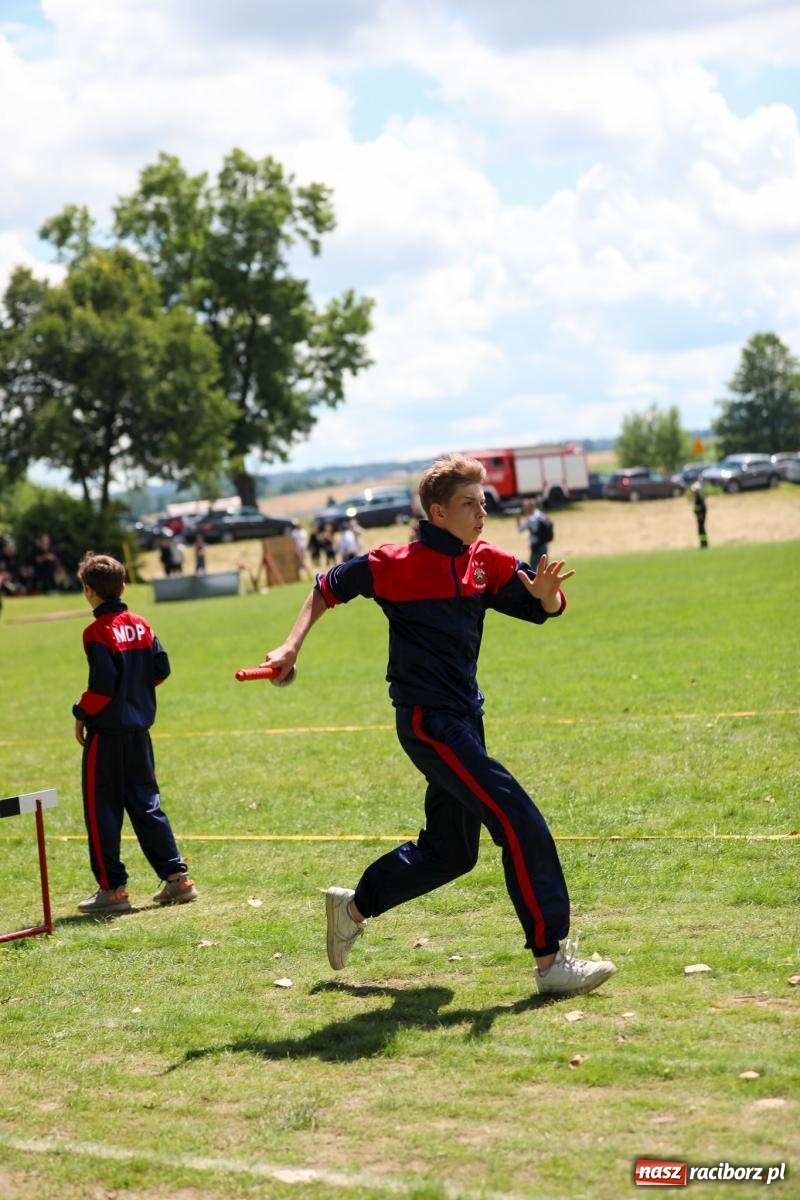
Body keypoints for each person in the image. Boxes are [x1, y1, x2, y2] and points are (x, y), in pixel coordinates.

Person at [260, 454, 616, 997]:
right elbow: (326, 588)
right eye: (470, 504)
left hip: (467, 719)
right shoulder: (392, 562)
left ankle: (353, 908)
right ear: (437, 511)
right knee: (517, 818)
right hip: (428, 722)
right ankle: (552, 962)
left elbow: (544, 604)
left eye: (484, 502)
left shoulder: (485, 561)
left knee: (453, 851)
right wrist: (290, 645)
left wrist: (547, 595)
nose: (482, 512)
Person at [72, 552, 198, 913]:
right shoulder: (142, 624)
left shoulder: (96, 632)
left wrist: (81, 712)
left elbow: (102, 687)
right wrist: (138, 691)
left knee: (102, 809)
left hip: (108, 735)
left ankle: (112, 889)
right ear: (123, 585)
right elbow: (161, 667)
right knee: (147, 803)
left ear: (88, 591)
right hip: (139, 734)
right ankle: (178, 879)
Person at [518, 497, 553, 564]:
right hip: (544, 544)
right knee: (545, 569)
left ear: (529, 507)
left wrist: (518, 519)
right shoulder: (540, 514)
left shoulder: (530, 519)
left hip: (536, 546)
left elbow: (520, 529)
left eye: (525, 507)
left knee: (532, 569)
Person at [691, 483, 709, 549]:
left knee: (702, 530)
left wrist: (700, 515)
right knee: (700, 530)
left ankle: (704, 544)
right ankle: (702, 543)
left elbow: (703, 507)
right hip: (699, 517)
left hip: (701, 517)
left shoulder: (700, 497)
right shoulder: (697, 497)